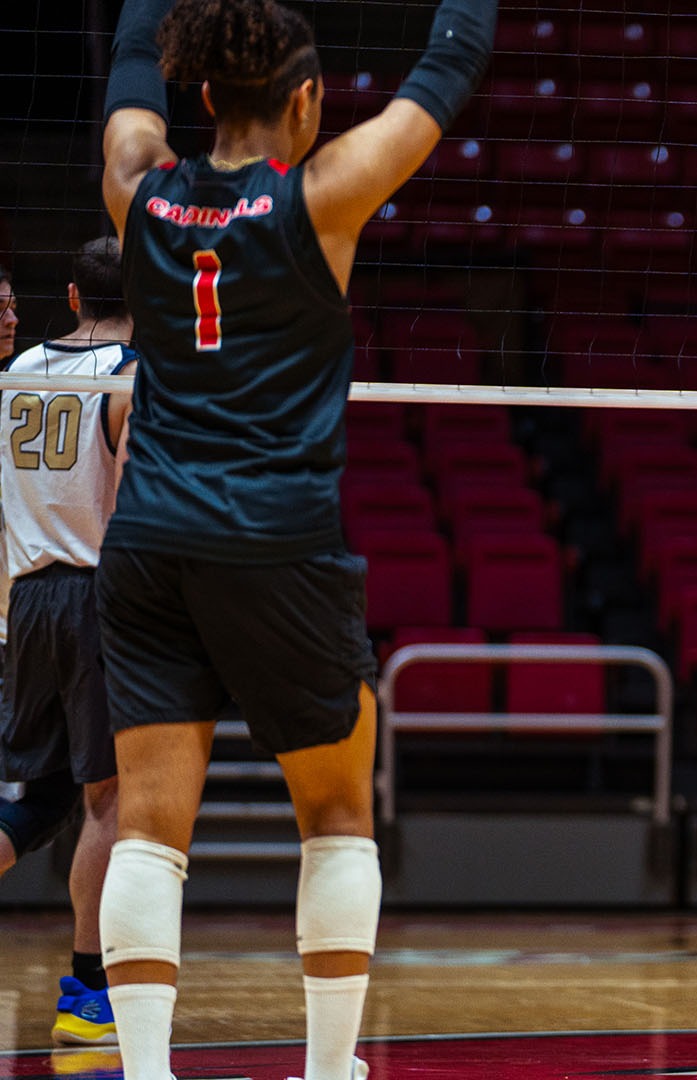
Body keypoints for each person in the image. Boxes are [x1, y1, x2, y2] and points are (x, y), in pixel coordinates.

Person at [96, 0, 493, 1077]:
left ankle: (142, 1073)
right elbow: (448, 69)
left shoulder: (138, 190)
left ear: (207, 96)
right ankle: (325, 1072)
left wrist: (144, 13)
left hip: (147, 544)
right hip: (275, 541)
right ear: (309, 102)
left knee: (147, 831)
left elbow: (130, 74)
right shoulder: (322, 198)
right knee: (334, 818)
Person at [0, 238, 137, 1048]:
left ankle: (89, 987)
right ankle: (89, 990)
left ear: (74, 297)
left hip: (26, 605)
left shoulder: (13, 376)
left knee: (43, 798)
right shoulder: (132, 379)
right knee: (108, 802)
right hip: (94, 597)